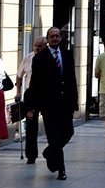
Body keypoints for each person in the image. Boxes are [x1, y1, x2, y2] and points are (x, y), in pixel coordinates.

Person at [24, 27, 78, 180]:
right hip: (49, 106)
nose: (54, 38)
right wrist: (31, 107)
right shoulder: (40, 58)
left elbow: (72, 80)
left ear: (60, 38)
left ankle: (49, 152)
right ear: (47, 39)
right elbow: (35, 84)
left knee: (68, 133)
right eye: (51, 36)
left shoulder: (67, 55)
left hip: (65, 104)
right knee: (54, 137)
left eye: (57, 36)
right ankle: (61, 170)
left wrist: (74, 101)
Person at [15, 36, 46, 163]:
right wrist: (18, 92)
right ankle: (31, 155)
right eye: (35, 45)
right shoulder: (28, 58)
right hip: (31, 95)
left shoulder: (49, 58)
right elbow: (19, 76)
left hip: (46, 95)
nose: (37, 48)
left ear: (45, 46)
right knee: (31, 125)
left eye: (40, 46)